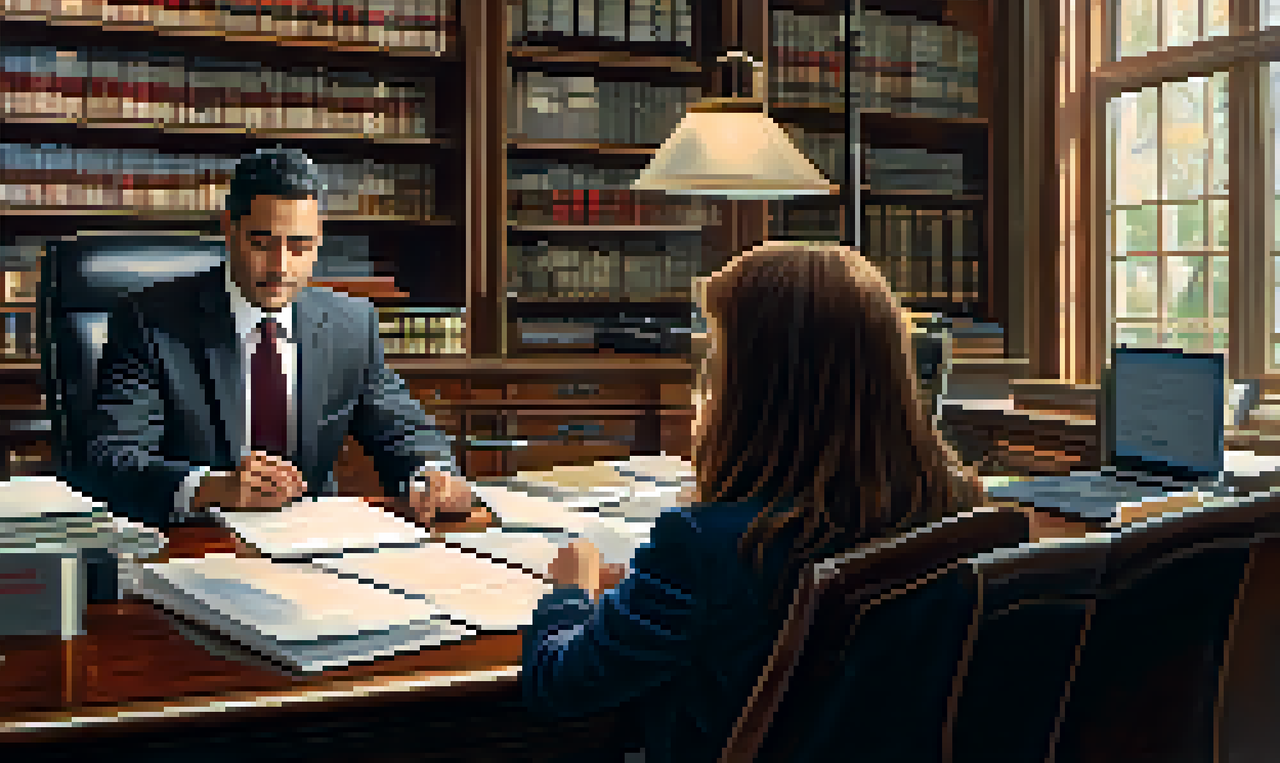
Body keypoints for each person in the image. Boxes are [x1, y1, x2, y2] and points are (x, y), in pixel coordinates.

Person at [521, 242, 986, 762]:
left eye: (716, 360)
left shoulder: (702, 544)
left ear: (751, 387)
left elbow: (559, 686)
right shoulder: (959, 509)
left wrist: (571, 589)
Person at [82, 148, 475, 528]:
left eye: (299, 245)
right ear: (229, 229)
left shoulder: (351, 324)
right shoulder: (149, 321)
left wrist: (431, 475)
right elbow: (111, 459)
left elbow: (403, 430)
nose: (279, 266)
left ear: (319, 238)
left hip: (310, 547)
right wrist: (214, 487)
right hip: (194, 542)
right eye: (261, 242)